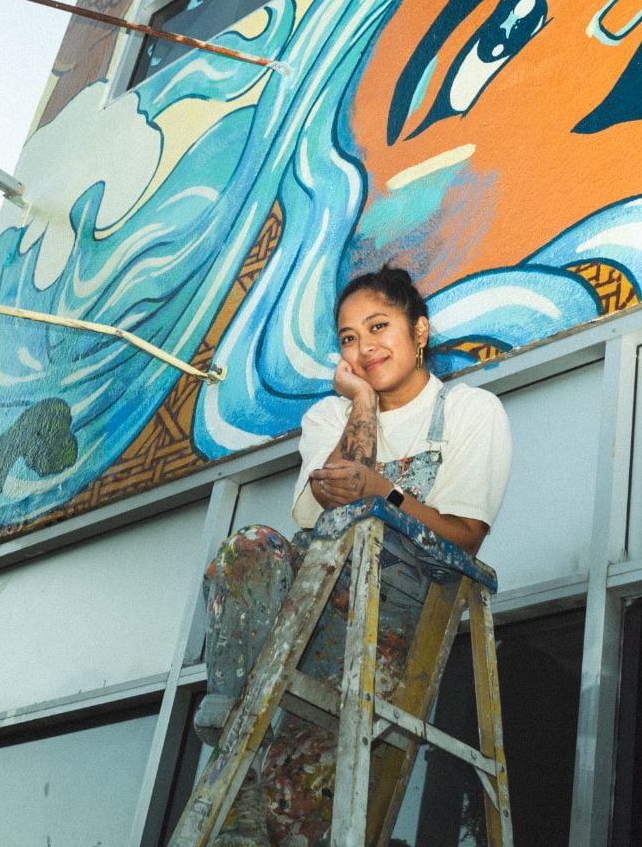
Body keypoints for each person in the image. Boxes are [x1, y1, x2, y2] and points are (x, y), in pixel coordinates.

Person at [196, 265, 513, 846]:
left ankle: (252, 791)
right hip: (307, 603)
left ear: (419, 331)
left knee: (299, 816)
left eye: (378, 326)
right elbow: (327, 502)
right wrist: (362, 404)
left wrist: (382, 492)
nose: (364, 348)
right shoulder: (328, 417)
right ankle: (232, 759)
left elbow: (465, 533)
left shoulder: (468, 412)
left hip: (390, 622)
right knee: (248, 550)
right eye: (348, 338)